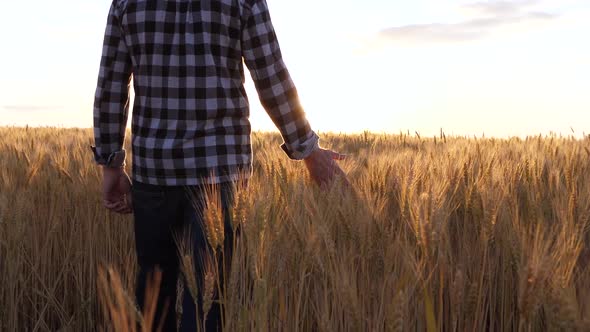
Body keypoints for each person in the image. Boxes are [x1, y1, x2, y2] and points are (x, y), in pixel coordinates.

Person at [91, 0, 348, 330]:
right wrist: (309, 151)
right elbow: (270, 75)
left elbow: (111, 84)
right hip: (222, 173)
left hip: (154, 172)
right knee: (209, 305)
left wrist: (111, 164)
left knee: (155, 301)